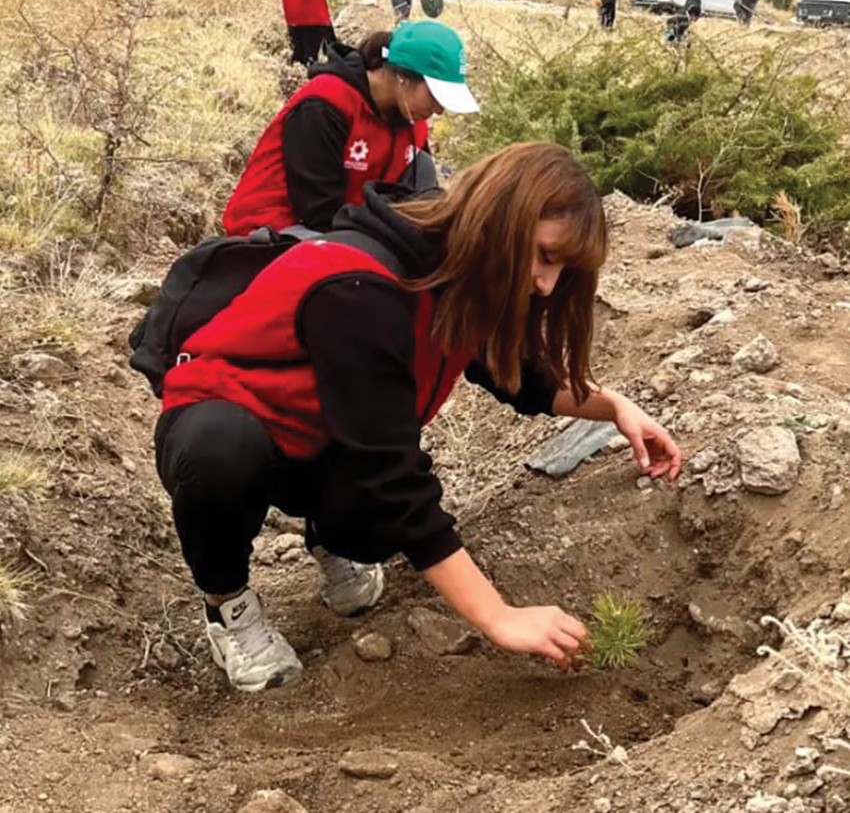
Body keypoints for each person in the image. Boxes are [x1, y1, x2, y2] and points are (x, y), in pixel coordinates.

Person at [154, 143, 683, 693]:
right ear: (500, 220)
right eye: (545, 256)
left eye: (561, 270)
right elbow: (392, 475)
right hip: (225, 424)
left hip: (326, 440)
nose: (547, 285)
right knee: (221, 452)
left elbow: (525, 379)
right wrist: (496, 615)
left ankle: (328, 537)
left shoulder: (457, 273)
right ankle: (228, 605)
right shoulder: (362, 289)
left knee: (379, 522)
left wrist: (614, 406)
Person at [223, 20, 479, 237]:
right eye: (435, 96)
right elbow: (317, 210)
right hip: (276, 228)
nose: (439, 110)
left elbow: (416, 200)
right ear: (404, 77)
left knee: (421, 167)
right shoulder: (326, 104)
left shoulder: (412, 124)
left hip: (346, 229)